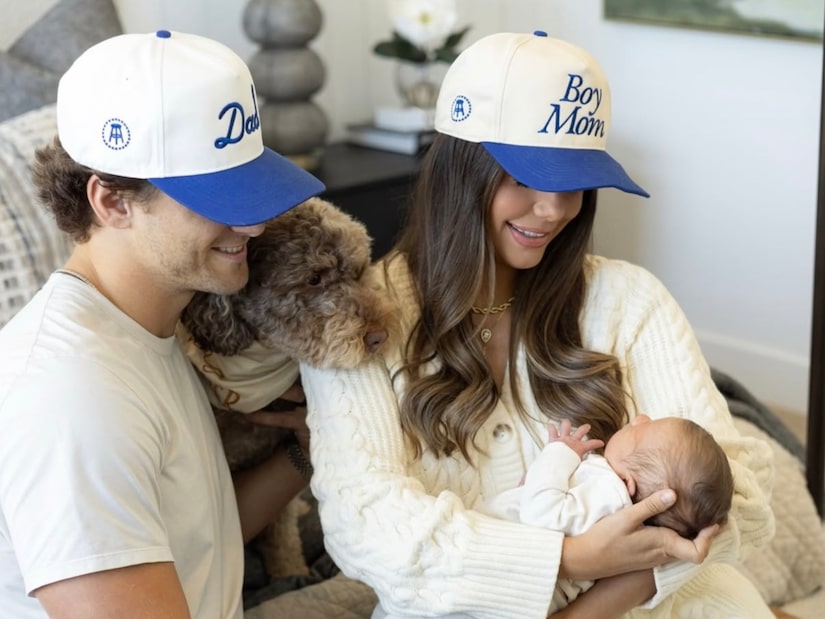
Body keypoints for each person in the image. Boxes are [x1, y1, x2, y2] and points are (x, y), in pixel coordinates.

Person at [182, 30, 776, 618]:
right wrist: (571, 559)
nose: (554, 209)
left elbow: (743, 497)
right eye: (524, 178)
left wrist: (604, 595)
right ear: (460, 170)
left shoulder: (631, 299)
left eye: (574, 184)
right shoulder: (362, 321)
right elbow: (366, 529)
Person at [0, 30, 324, 618]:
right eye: (219, 198)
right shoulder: (72, 395)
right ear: (112, 202)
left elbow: (196, 545)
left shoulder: (154, 325)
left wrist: (303, 452)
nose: (254, 225)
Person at [476, 415, 735, 616]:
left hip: (495, 585)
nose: (639, 418)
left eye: (638, 433)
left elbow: (540, 514)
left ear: (628, 483)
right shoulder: (619, 512)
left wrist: (558, 453)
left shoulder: (609, 491)